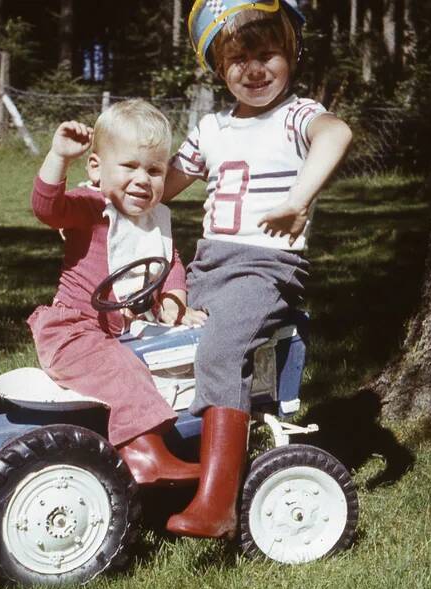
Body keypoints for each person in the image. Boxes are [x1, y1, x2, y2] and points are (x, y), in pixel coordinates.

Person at [162, 0, 353, 538]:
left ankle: (217, 503)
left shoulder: (296, 115)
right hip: (207, 264)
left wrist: (299, 197)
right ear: (219, 68)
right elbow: (163, 185)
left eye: (268, 53)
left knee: (221, 349)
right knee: (153, 336)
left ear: (291, 53)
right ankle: (163, 453)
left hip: (266, 267)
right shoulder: (211, 128)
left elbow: (336, 134)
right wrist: (101, 187)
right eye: (238, 59)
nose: (254, 69)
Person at [28, 99, 207, 487]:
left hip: (122, 332)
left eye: (155, 170)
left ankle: (192, 432)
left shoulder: (155, 220)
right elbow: (47, 208)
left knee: (179, 356)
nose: (143, 179)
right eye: (129, 166)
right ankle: (147, 458)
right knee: (123, 370)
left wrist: (175, 301)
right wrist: (59, 157)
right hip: (73, 331)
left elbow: (169, 262)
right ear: (96, 168)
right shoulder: (92, 208)